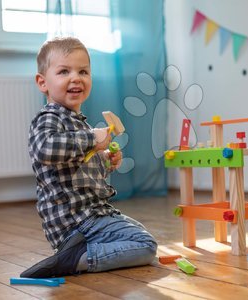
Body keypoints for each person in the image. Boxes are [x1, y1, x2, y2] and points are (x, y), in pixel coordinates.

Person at [21, 36, 157, 278]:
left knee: (139, 233)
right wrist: (91, 139)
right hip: (77, 222)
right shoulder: (50, 116)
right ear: (43, 83)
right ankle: (77, 259)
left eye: (83, 71)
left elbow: (78, 169)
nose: (76, 77)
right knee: (145, 245)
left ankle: (78, 254)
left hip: (90, 217)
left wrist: (104, 161)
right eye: (64, 71)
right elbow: (45, 149)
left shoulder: (77, 122)